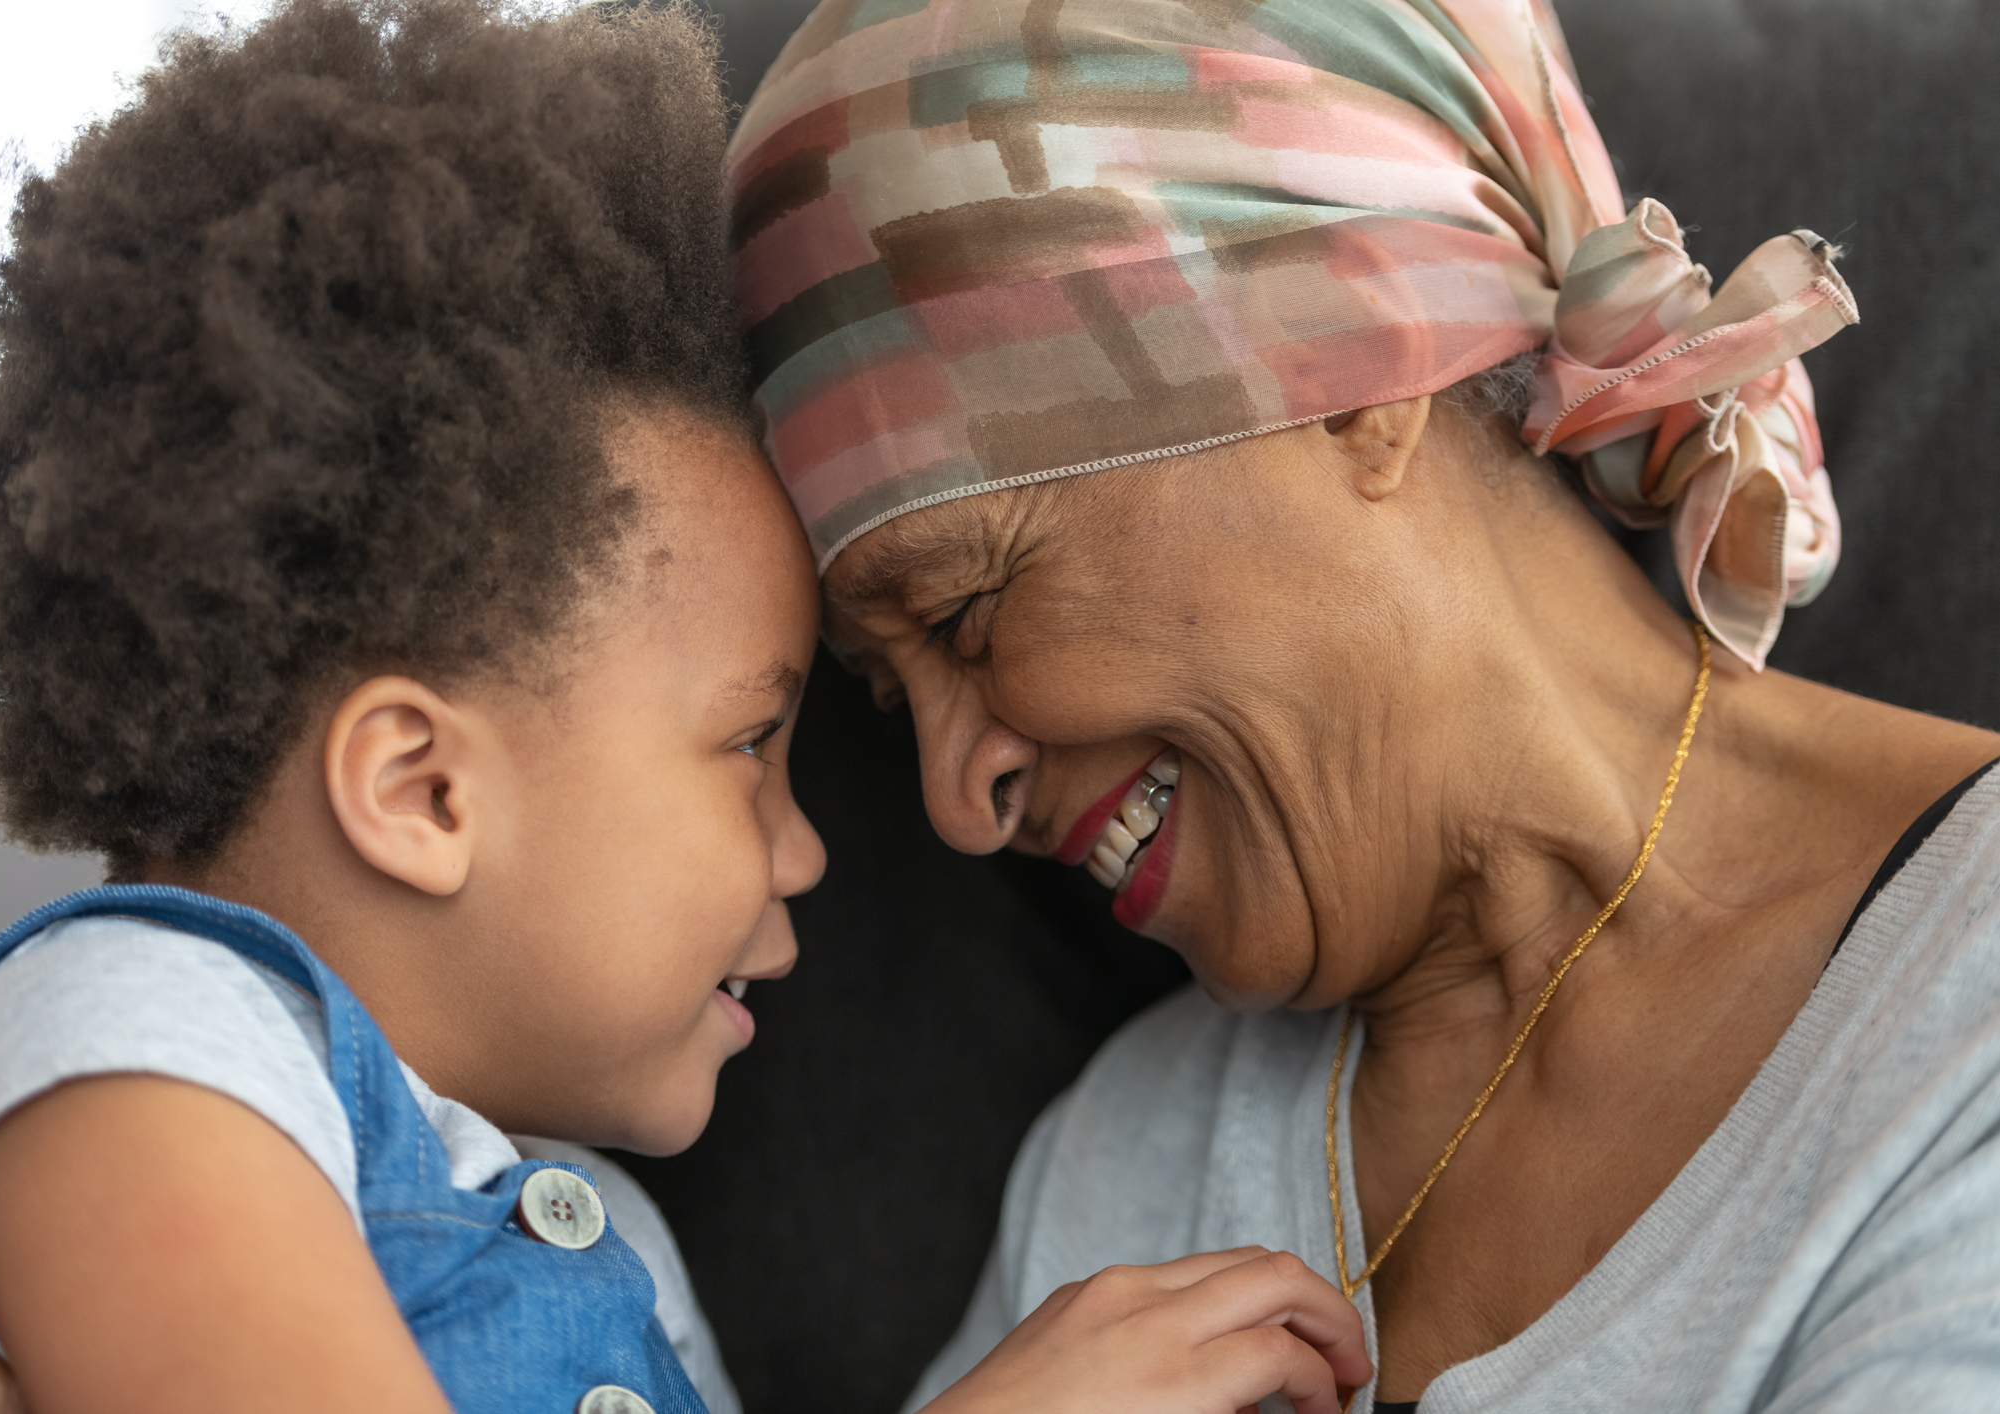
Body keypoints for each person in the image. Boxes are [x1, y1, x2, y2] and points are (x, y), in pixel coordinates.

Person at [0, 3, 1376, 1413]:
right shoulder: (137, 1039)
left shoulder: (611, 1250)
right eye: (748, 746)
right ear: (420, 789)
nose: (807, 853)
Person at [720, 0, 2000, 1409]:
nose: (954, 802)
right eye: (891, 701)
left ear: (1343, 372)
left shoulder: (1961, 1013)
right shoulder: (1129, 1163)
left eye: (963, 610)